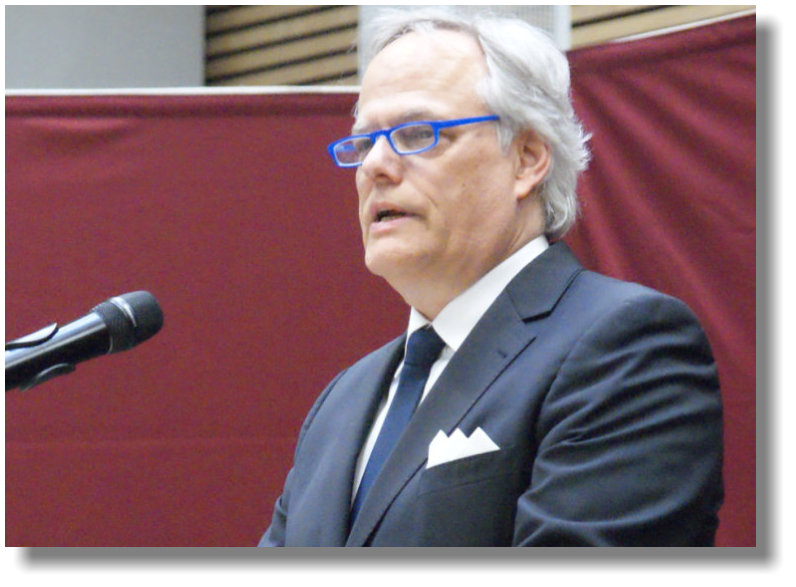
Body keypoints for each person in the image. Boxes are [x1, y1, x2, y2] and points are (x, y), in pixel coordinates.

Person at [258, 8, 723, 547]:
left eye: (417, 133)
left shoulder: (628, 347)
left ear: (526, 158)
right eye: (365, 142)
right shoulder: (341, 403)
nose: (374, 167)